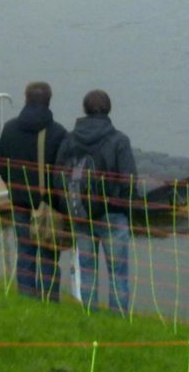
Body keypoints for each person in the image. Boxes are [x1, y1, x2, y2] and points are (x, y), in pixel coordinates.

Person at [55, 89, 137, 315]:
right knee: (118, 274)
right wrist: (124, 207)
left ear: (84, 109)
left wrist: (68, 206)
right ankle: (117, 322)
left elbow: (58, 176)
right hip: (113, 214)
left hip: (81, 213)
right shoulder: (119, 140)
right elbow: (129, 181)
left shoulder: (70, 139)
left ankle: (90, 317)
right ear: (109, 109)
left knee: (87, 271)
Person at [0, 81, 67, 301]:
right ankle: (49, 302)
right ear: (49, 101)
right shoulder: (58, 133)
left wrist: (13, 188)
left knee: (25, 253)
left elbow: (1, 165)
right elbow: (62, 174)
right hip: (48, 206)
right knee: (49, 256)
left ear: (25, 99)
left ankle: (26, 300)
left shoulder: (9, 129)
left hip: (19, 202)